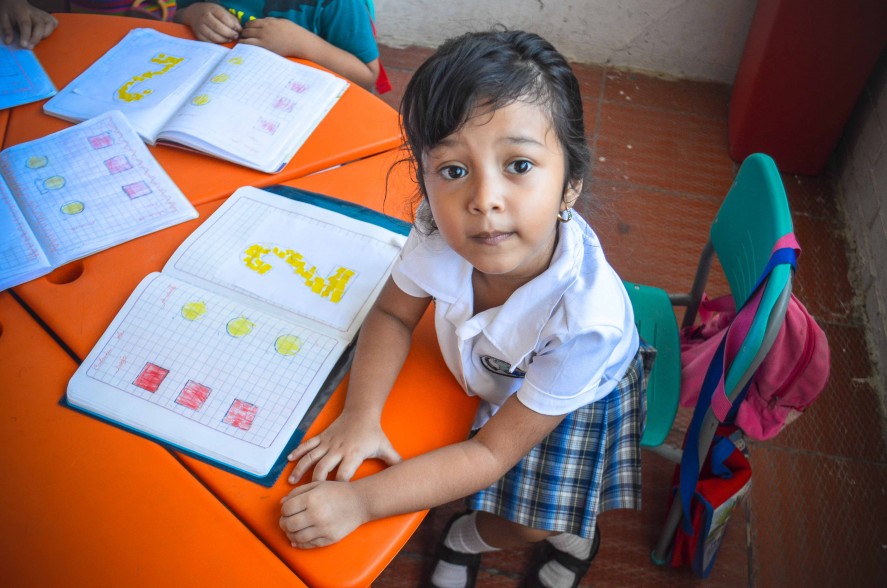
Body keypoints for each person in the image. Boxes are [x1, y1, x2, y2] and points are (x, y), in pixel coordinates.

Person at [279, 29, 650, 588]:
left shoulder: (585, 327)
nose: (484, 198)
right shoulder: (437, 234)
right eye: (453, 170)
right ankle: (558, 530)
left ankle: (481, 536)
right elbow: (390, 315)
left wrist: (361, 502)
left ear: (571, 183)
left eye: (519, 166)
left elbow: (490, 455)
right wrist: (360, 417)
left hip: (578, 396)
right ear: (427, 184)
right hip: (495, 373)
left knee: (529, 520)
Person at [173, 0, 381, 91]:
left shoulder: (341, 3)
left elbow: (366, 75)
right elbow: (179, 16)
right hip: (218, 92)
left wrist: (303, 44)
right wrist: (193, 13)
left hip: (299, 110)